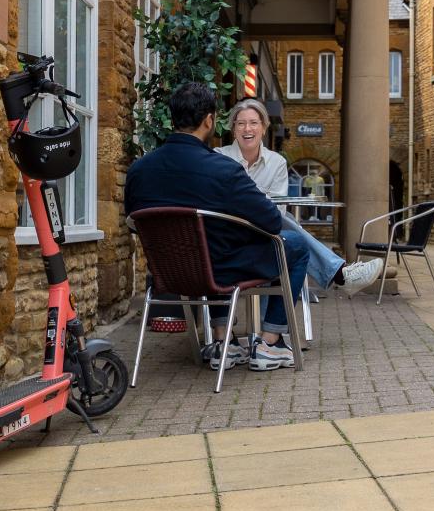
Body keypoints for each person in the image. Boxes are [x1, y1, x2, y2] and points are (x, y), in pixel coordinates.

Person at [125, 81, 310, 372]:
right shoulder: (222, 169)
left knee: (211, 247)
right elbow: (273, 221)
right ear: (210, 120)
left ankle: (225, 342)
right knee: (296, 245)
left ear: (172, 119)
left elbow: (135, 223)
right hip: (221, 270)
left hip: (168, 276)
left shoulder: (139, 170)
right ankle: (270, 343)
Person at [218, 99, 382, 297]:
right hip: (227, 234)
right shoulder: (219, 157)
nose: (247, 129)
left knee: (285, 224)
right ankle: (340, 273)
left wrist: (246, 200)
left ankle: (271, 325)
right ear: (233, 129)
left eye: (254, 122)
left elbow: (274, 213)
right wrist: (258, 202)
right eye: (241, 123)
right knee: (291, 232)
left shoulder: (276, 162)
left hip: (264, 234)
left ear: (263, 127)